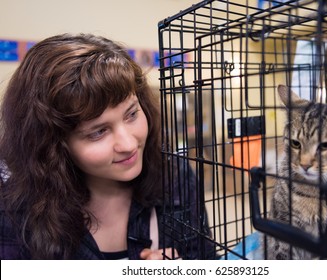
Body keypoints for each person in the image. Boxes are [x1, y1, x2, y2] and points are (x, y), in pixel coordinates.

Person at [0, 33, 214, 260]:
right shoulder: (15, 210)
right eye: (98, 132)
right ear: (53, 145)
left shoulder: (174, 176)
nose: (129, 144)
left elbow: (205, 258)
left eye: (131, 114)